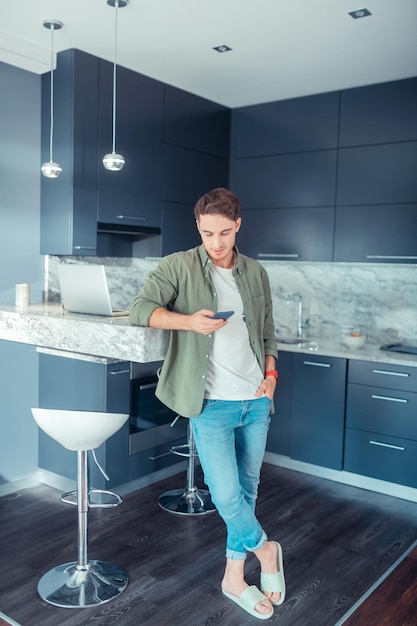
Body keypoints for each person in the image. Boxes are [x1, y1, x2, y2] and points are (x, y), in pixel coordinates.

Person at [129, 187, 285, 620]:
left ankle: (234, 579)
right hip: (211, 404)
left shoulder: (255, 273)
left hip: (255, 400)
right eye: (207, 232)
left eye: (224, 232)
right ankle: (267, 551)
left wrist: (271, 377)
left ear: (239, 226)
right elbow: (141, 308)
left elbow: (268, 332)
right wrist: (186, 322)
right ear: (197, 227)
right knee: (226, 497)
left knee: (247, 493)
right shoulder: (178, 265)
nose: (215, 242)